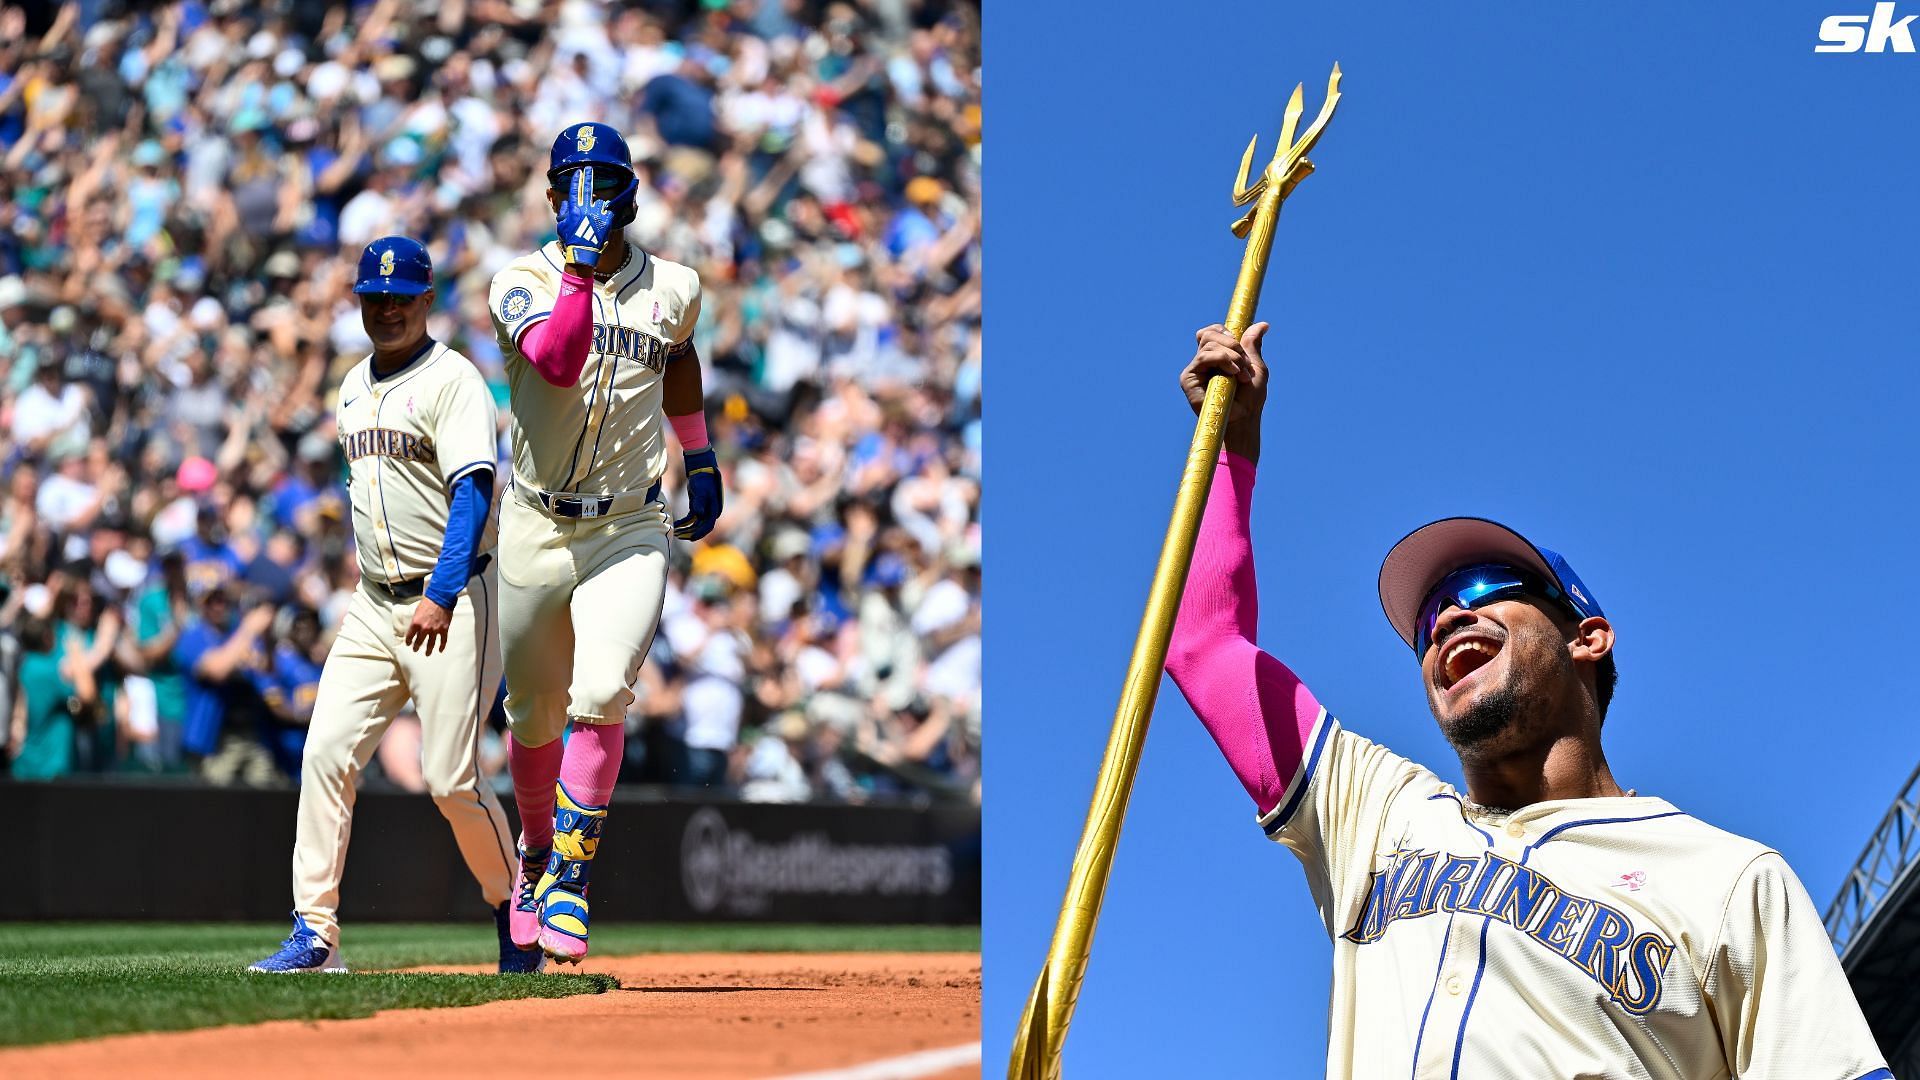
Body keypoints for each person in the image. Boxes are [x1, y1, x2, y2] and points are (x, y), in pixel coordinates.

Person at [1163, 323, 1890, 1079]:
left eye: (1481, 590)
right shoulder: (1376, 815)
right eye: (1425, 622)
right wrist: (1229, 446)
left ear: (1589, 637)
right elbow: (1202, 646)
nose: (1445, 618)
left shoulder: (1732, 878)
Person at [249, 237, 535, 975]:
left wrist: (440, 594)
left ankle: (514, 907)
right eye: (375, 297)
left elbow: (474, 493)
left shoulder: (454, 381)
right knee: (325, 754)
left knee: (451, 780)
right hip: (375, 604)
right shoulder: (350, 386)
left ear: (427, 298)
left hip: (456, 596)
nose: (388, 309)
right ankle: (315, 933)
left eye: (401, 296)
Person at [488, 121, 722, 964]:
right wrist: (580, 271)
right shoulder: (518, 279)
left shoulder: (677, 284)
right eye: (569, 184)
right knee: (532, 714)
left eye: (599, 182)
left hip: (629, 521)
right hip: (534, 522)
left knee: (602, 691)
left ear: (627, 192)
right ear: (551, 195)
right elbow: (555, 359)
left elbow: (682, 355)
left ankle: (573, 880)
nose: (581, 197)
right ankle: (536, 854)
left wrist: (698, 454)